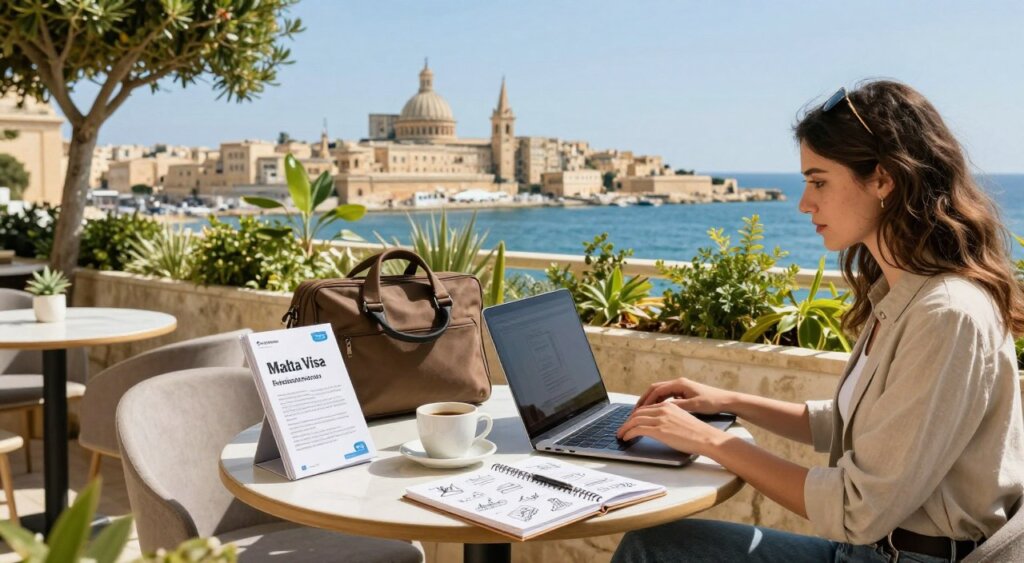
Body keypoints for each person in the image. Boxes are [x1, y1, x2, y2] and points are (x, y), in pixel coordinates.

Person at [613, 80, 1024, 562]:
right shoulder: (902, 294)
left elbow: (856, 509)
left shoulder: (946, 315)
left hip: (902, 557)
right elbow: (861, 425)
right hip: (871, 551)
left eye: (819, 181)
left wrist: (709, 441)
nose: (805, 203)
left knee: (653, 551)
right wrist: (726, 401)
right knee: (652, 545)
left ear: (883, 180)